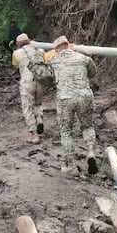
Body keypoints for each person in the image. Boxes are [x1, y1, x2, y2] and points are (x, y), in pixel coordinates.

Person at [48, 35, 98, 175]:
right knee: (87, 126)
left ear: (56, 49)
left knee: (66, 131)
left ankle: (71, 165)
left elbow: (50, 77)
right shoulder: (83, 58)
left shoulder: (53, 60)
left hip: (65, 99)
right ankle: (90, 152)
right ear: (69, 45)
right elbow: (93, 73)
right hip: (85, 96)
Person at [12, 33, 46, 144]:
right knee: (38, 103)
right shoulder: (40, 50)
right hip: (41, 81)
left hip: (27, 83)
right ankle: (39, 119)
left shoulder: (16, 53)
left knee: (27, 107)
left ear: (18, 44)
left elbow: (16, 65)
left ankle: (33, 134)